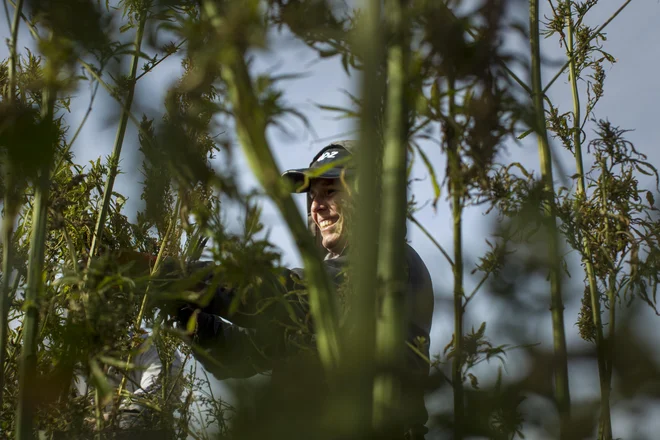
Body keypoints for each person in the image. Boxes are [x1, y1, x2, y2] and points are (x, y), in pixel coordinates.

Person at [172, 140, 434, 438]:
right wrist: (184, 311)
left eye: (331, 191)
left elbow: (280, 299)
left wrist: (180, 277)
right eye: (312, 195)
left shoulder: (386, 261)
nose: (317, 206)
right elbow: (240, 353)